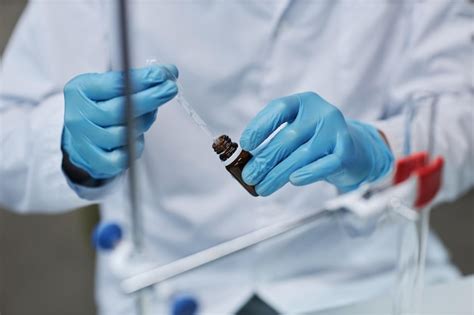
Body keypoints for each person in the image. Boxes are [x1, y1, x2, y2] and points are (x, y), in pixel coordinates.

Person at [0, 1, 472, 314]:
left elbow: (459, 115)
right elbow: (9, 136)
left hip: (368, 268)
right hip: (173, 280)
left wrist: (381, 146)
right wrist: (68, 144)